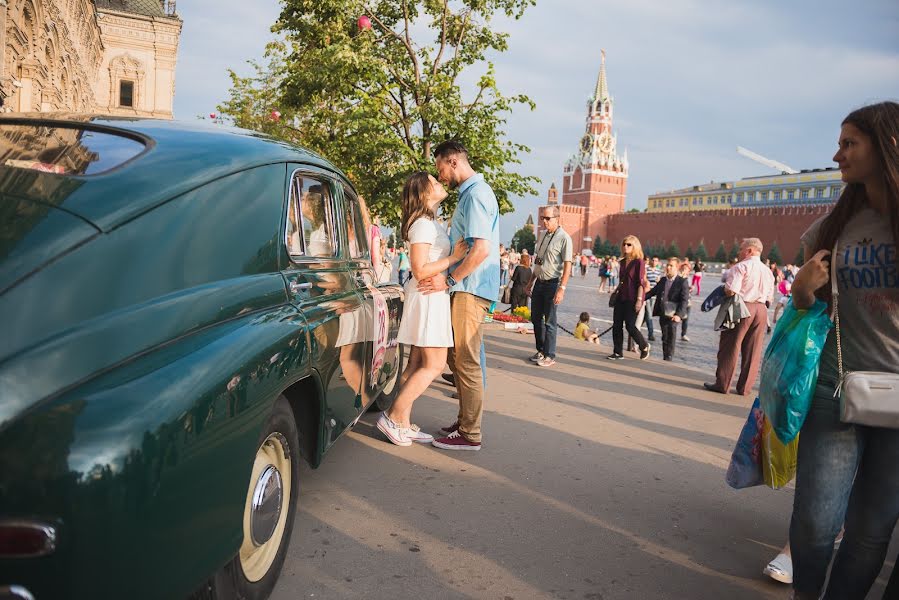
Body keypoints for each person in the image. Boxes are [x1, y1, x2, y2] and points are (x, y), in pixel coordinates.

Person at [787, 101, 899, 600]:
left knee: (871, 531)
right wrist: (802, 291)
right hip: (837, 385)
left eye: (850, 143)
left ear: (887, 146)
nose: (837, 155)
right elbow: (804, 300)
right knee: (814, 522)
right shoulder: (835, 225)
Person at [419, 140, 500, 452]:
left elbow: (480, 249)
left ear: (452, 162)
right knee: (457, 357)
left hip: (471, 287)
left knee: (465, 360)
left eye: (440, 167)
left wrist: (449, 279)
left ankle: (470, 433)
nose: (440, 176)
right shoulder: (471, 193)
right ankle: (465, 420)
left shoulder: (477, 194)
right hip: (467, 287)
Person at [379, 173, 468, 446]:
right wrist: (454, 257)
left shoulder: (429, 222)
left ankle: (402, 421)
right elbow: (419, 270)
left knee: (418, 363)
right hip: (427, 296)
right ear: (425, 191)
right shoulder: (423, 225)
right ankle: (393, 417)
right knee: (435, 364)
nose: (441, 183)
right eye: (435, 181)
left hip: (431, 296)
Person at [703, 237, 774, 395]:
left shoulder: (741, 267)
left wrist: (721, 291)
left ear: (749, 250)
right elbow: (770, 297)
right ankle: (745, 388)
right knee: (753, 350)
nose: (739, 252)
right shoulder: (767, 270)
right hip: (761, 310)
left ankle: (723, 383)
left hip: (741, 306)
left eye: (741, 249)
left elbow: (731, 290)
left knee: (730, 345)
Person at [526, 205, 573, 367]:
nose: (544, 222)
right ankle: (541, 349)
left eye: (548, 219)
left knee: (550, 322)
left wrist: (562, 288)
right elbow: (538, 261)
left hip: (553, 284)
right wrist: (530, 282)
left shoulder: (564, 237)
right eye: (543, 218)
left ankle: (550, 354)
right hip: (539, 282)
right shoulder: (543, 235)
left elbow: (568, 265)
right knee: (536, 318)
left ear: (557, 219)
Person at [607, 235, 650, 360]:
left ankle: (644, 345)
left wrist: (639, 300)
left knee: (630, 326)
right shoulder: (622, 262)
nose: (625, 246)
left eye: (629, 244)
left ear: (635, 246)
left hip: (632, 298)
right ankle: (617, 352)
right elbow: (622, 281)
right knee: (616, 325)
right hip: (621, 297)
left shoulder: (639, 262)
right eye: (624, 244)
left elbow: (640, 283)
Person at [644, 257, 690, 361]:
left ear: (677, 268)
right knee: (664, 336)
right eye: (667, 265)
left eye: (671, 266)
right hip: (663, 312)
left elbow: (684, 300)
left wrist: (679, 315)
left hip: (674, 314)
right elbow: (652, 292)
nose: (668, 267)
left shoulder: (682, 282)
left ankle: (669, 357)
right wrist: (639, 298)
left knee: (671, 335)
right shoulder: (663, 280)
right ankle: (665, 356)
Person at [644, 255, 663, 342]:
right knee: (649, 314)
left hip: (655, 295)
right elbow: (644, 280)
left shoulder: (659, 271)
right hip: (647, 294)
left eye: (656, 261)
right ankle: (650, 333)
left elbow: (659, 283)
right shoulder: (647, 269)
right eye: (653, 260)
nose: (654, 262)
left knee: (647, 314)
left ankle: (635, 327)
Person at [678, 261, 693, 342]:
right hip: (679, 301)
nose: (685, 270)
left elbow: (688, 290)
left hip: (688, 301)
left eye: (686, 269)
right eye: (683, 268)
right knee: (677, 317)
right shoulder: (678, 277)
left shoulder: (689, 278)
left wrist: (690, 289)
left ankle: (683, 334)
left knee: (686, 319)